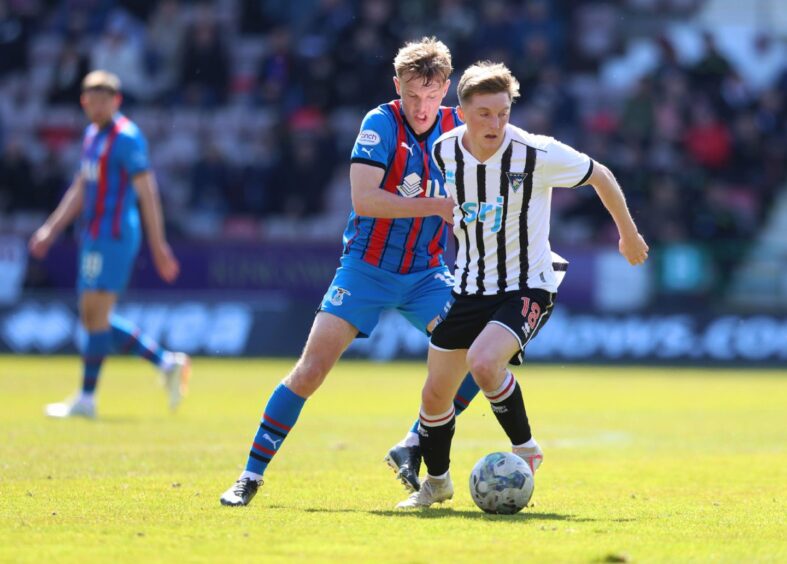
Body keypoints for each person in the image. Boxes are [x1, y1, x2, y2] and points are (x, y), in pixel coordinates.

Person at [219, 37, 484, 507]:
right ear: (397, 85)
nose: (422, 108)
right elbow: (365, 199)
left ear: (446, 89)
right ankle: (250, 476)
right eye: (412, 95)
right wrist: (439, 206)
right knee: (311, 370)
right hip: (366, 269)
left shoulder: (455, 125)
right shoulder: (379, 124)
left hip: (426, 273)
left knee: (478, 359)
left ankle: (413, 442)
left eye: (432, 95)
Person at [397, 61, 649, 509]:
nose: (495, 123)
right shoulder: (444, 151)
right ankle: (436, 483)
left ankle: (526, 449)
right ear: (462, 111)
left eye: (503, 112)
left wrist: (627, 233)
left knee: (484, 361)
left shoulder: (536, 152)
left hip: (528, 285)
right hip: (470, 287)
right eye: (484, 114)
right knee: (435, 394)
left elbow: (601, 175)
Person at [28, 70, 190, 419]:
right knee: (92, 315)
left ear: (116, 101)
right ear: (84, 102)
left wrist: (159, 245)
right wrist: (51, 229)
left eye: (105, 99)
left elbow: (148, 192)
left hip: (115, 236)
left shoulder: (128, 138)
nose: (98, 106)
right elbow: (80, 188)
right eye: (92, 99)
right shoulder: (91, 136)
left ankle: (87, 399)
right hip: (93, 235)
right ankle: (166, 362)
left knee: (94, 313)